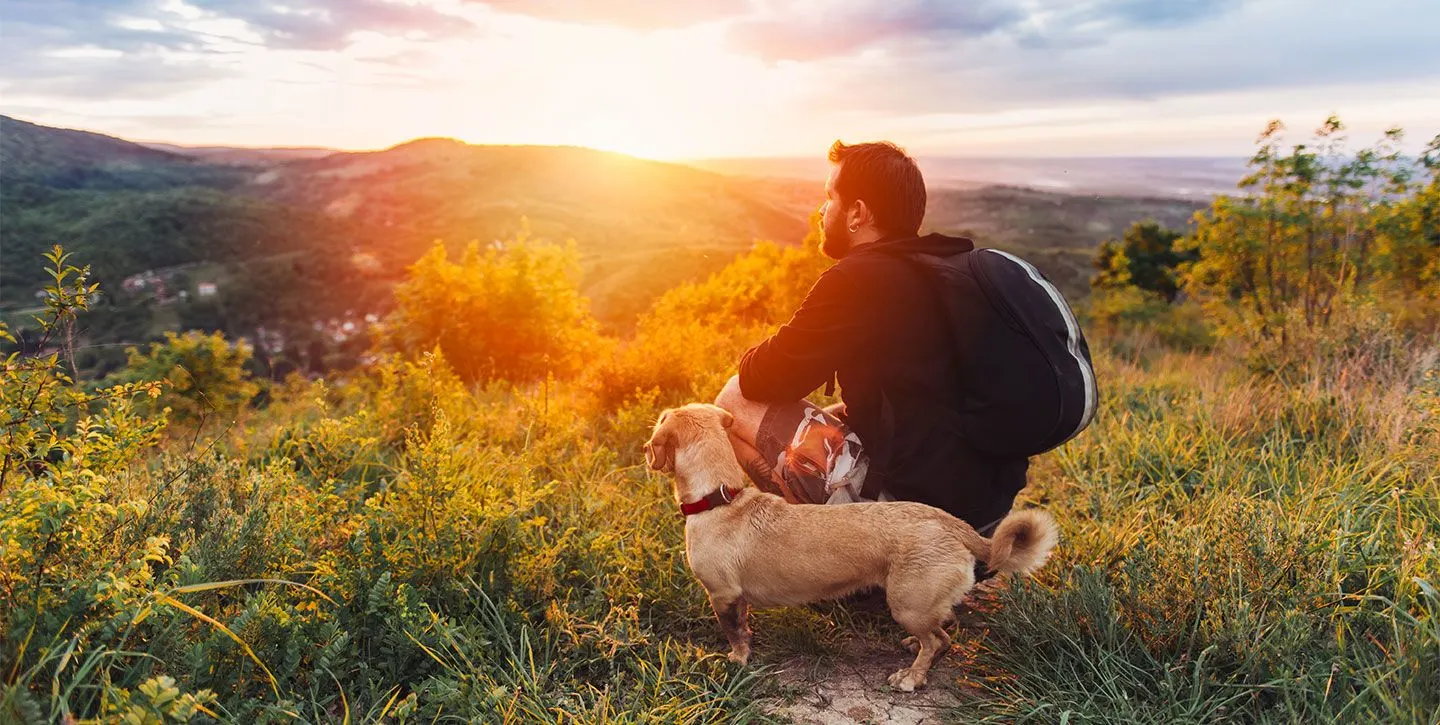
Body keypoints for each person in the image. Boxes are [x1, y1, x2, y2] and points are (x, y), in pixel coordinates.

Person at [713, 140, 1029, 537]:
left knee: (732, 400)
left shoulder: (857, 280)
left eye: (829, 197)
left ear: (857, 213)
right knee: (837, 414)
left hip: (916, 529)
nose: (821, 209)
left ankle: (837, 569)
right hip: (984, 522)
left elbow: (759, 380)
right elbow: (920, 396)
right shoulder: (943, 269)